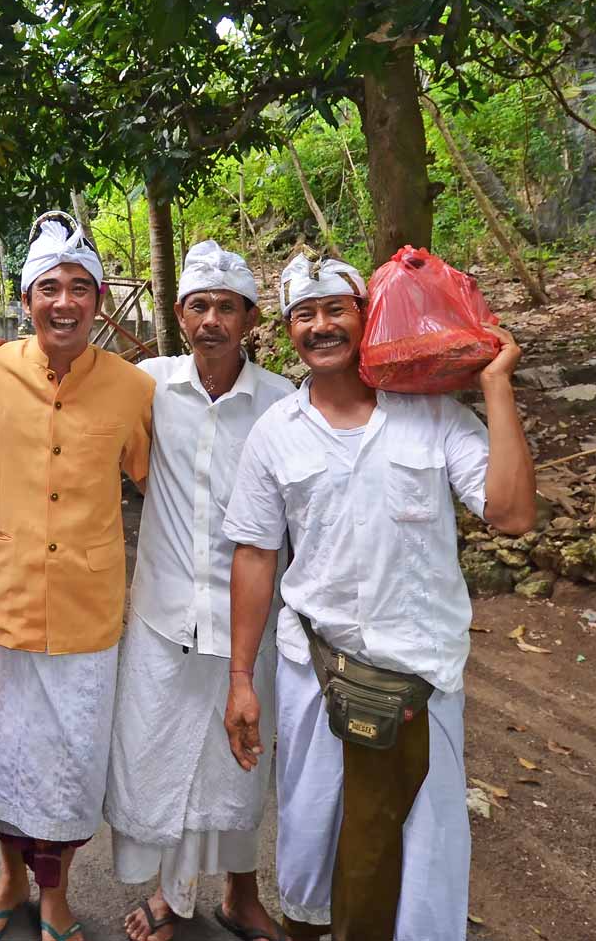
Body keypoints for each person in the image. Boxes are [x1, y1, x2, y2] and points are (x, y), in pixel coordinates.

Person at [221, 253, 536, 941]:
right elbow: (255, 552)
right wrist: (242, 678)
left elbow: (511, 513)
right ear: (286, 331)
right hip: (317, 677)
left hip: (422, 679)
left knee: (422, 859)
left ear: (367, 318)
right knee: (312, 840)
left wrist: (496, 384)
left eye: (336, 308)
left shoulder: (431, 415)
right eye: (304, 315)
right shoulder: (275, 433)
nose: (321, 325)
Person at [0, 212, 153, 941]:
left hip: (87, 608)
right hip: (3, 598)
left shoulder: (134, 388)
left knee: (70, 763)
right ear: (26, 298)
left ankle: (56, 889)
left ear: (99, 300)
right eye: (48, 288)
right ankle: (9, 876)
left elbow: (156, 476)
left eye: (78, 288)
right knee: (2, 756)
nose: (63, 302)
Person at [102, 242, 293, 941]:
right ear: (181, 314)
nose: (212, 319)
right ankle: (169, 891)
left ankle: (240, 894)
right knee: (161, 754)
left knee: (239, 763)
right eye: (199, 305)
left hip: (247, 620)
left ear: (248, 317)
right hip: (163, 612)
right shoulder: (147, 384)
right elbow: (71, 384)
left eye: (226, 307)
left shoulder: (282, 402)